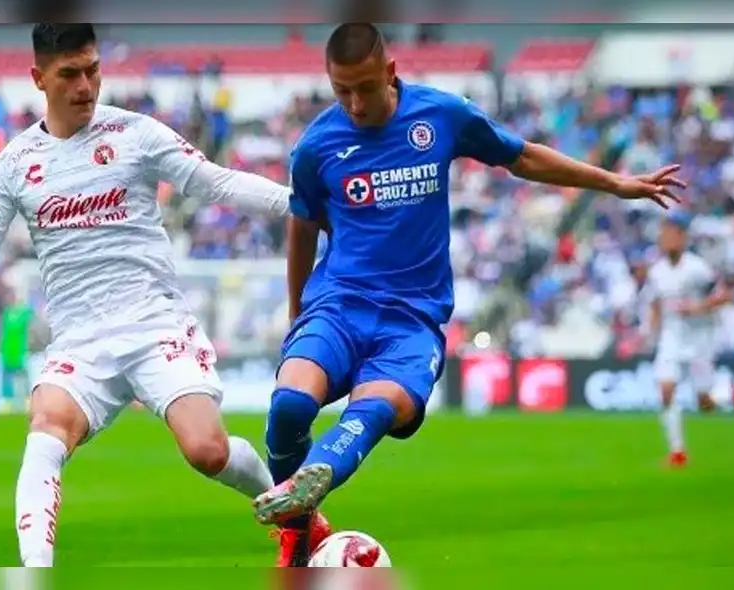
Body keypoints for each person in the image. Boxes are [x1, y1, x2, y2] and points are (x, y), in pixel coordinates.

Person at [253, 22, 686, 564]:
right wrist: (298, 313)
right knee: (290, 403)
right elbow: (302, 228)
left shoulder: (440, 115)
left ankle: (317, 478)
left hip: (411, 321)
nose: (355, 104)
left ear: (390, 72)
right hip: (338, 304)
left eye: (365, 88)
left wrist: (615, 183)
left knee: (378, 407)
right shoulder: (316, 146)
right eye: (342, 91)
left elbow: (521, 155)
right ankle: (300, 523)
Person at [0, 24, 329, 568]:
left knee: (207, 452)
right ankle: (33, 575)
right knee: (45, 430)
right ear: (38, 78)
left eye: (92, 69)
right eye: (70, 74)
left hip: (155, 326)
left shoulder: (135, 133)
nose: (86, 85)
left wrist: (306, 208)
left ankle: (295, 517)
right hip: (81, 343)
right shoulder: (15, 165)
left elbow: (218, 183)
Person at [645, 210, 734, 467]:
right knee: (665, 389)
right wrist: (649, 332)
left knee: (704, 403)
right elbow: (655, 303)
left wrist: (698, 307)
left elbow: (724, 295)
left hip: (699, 339)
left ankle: (732, 395)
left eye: (671, 233)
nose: (666, 238)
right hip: (671, 338)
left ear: (682, 237)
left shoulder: (698, 269)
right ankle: (678, 452)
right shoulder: (658, 271)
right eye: (663, 233)